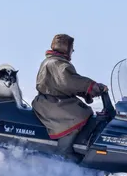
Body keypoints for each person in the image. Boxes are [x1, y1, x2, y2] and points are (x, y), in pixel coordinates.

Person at [31, 34, 107, 162]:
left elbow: (65, 85)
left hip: (56, 100)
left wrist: (87, 92)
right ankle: (63, 153)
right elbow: (70, 81)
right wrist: (92, 86)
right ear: (65, 47)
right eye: (71, 48)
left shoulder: (54, 61)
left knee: (83, 112)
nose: (72, 51)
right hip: (52, 103)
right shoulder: (57, 63)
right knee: (75, 118)